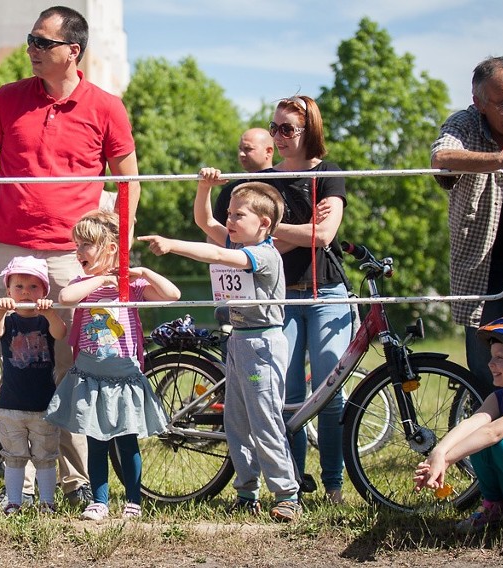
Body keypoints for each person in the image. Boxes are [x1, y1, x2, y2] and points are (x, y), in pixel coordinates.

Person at [0, 5, 141, 506]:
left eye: (43, 43)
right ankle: (18, 482)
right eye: (31, 40)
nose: (33, 50)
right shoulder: (5, 100)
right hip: (11, 249)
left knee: (71, 365)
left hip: (73, 256)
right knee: (20, 361)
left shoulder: (107, 106)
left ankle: (76, 481)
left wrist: (116, 253)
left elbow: (129, 182)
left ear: (74, 51)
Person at [140, 177, 302, 523]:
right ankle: (247, 491)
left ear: (264, 224)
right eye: (229, 213)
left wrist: (172, 244)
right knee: (236, 422)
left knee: (265, 421)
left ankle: (287, 494)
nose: (229, 220)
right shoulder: (238, 242)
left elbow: (214, 252)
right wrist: (204, 187)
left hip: (263, 344)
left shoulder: (263, 254)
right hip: (239, 339)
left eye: (238, 215)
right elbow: (205, 222)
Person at [46, 210, 180, 521]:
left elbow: (173, 294)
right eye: (76, 245)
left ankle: (133, 499)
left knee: (126, 441)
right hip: (91, 377)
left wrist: (143, 270)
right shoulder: (84, 283)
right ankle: (100, 500)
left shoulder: (130, 288)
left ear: (110, 248)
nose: (78, 252)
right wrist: (102, 279)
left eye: (86, 245)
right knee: (96, 442)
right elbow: (66, 297)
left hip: (124, 377)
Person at [265, 95, 352, 504]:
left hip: (328, 292)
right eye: (274, 127)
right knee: (287, 395)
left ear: (309, 131)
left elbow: (324, 236)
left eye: (287, 129)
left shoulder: (330, 172)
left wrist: (282, 230)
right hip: (283, 294)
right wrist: (296, 229)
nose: (278, 136)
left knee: (328, 390)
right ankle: (293, 485)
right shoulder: (267, 179)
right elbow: (261, 241)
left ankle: (333, 484)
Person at [431, 56, 503, 389]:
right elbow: (440, 158)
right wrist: (500, 160)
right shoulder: (464, 123)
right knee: (486, 374)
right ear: (479, 103)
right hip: (484, 269)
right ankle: (487, 440)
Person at [0, 256, 66, 514]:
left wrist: (50, 311)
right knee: (14, 457)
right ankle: (14, 501)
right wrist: (0, 309)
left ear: (44, 290)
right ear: (8, 291)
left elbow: (60, 332)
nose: (25, 292)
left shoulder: (45, 319)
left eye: (33, 287)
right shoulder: (8, 320)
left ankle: (47, 502)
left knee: (45, 456)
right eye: (18, 286)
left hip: (43, 405)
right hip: (11, 405)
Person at [414, 317, 503, 533]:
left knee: (496, 443)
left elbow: (493, 432)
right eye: (492, 357)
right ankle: (496, 509)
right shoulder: (498, 397)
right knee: (476, 440)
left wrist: (445, 461)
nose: (491, 364)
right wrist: (438, 453)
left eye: (500, 358)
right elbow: (473, 423)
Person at [206, 128, 275, 244]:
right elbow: (212, 234)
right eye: (240, 149)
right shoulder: (230, 191)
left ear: (268, 151)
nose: (241, 154)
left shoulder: (284, 186)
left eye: (248, 149)